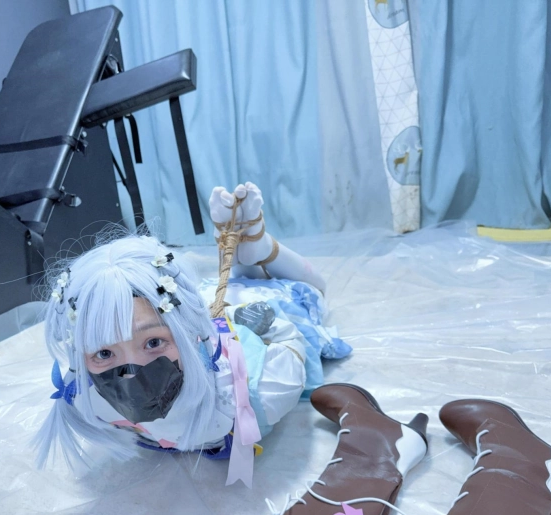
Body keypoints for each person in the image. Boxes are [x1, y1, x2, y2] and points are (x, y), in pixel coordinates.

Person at [34, 182, 351, 486]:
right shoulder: (85, 396)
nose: (132, 376)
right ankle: (245, 250)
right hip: (195, 305)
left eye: (153, 343)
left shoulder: (256, 389)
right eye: (104, 353)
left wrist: (259, 322)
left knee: (312, 291)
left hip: (253, 309)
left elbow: (288, 335)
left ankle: (260, 246)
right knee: (229, 287)